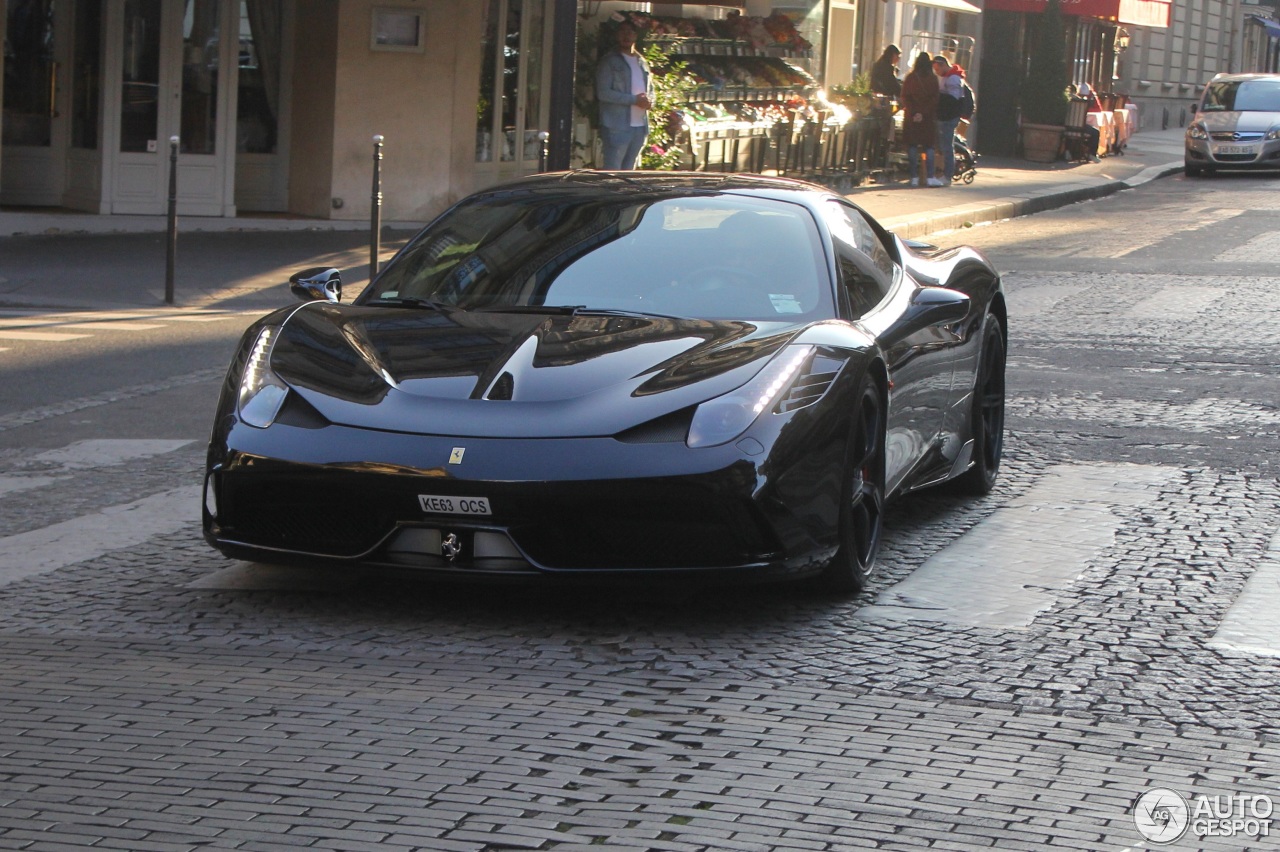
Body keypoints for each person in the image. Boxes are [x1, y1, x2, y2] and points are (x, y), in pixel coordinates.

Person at [596, 20, 654, 170]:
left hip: (640, 127)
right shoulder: (609, 61)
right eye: (622, 32)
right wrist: (634, 100)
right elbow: (603, 93)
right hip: (617, 126)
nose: (626, 36)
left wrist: (650, 101)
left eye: (630, 32)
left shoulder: (642, 62)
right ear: (616, 35)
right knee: (613, 172)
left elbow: (651, 89)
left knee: (630, 173)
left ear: (636, 36)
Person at [901, 52, 942, 187]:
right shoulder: (933, 79)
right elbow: (935, 99)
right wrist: (923, 113)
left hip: (912, 117)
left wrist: (914, 113)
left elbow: (905, 97)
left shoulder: (911, 78)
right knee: (928, 146)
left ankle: (913, 177)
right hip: (927, 118)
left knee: (912, 145)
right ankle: (930, 177)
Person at [933, 56, 965, 185]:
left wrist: (939, 98)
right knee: (946, 144)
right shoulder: (949, 77)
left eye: (937, 69)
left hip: (949, 116)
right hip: (947, 116)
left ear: (943, 65)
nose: (936, 72)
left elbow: (953, 99)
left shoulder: (953, 79)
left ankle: (948, 176)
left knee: (947, 146)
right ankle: (947, 173)